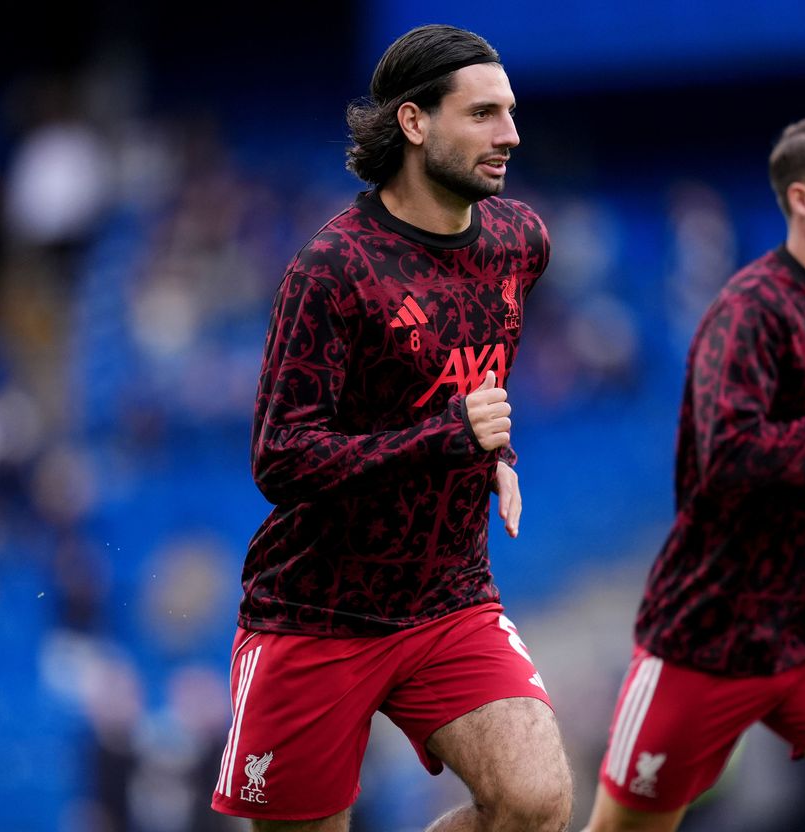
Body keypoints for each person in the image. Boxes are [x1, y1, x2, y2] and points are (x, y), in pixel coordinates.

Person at [210, 24, 571, 832]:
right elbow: (281, 456)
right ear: (414, 123)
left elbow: (469, 369)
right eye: (482, 114)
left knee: (535, 802)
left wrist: (498, 451)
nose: (510, 134)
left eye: (509, 112)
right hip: (315, 614)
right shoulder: (331, 270)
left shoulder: (520, 242)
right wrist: (453, 437)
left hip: (449, 599)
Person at [584, 113, 805, 832]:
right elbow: (729, 465)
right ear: (804, 200)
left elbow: (801, 448)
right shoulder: (748, 312)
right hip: (708, 632)